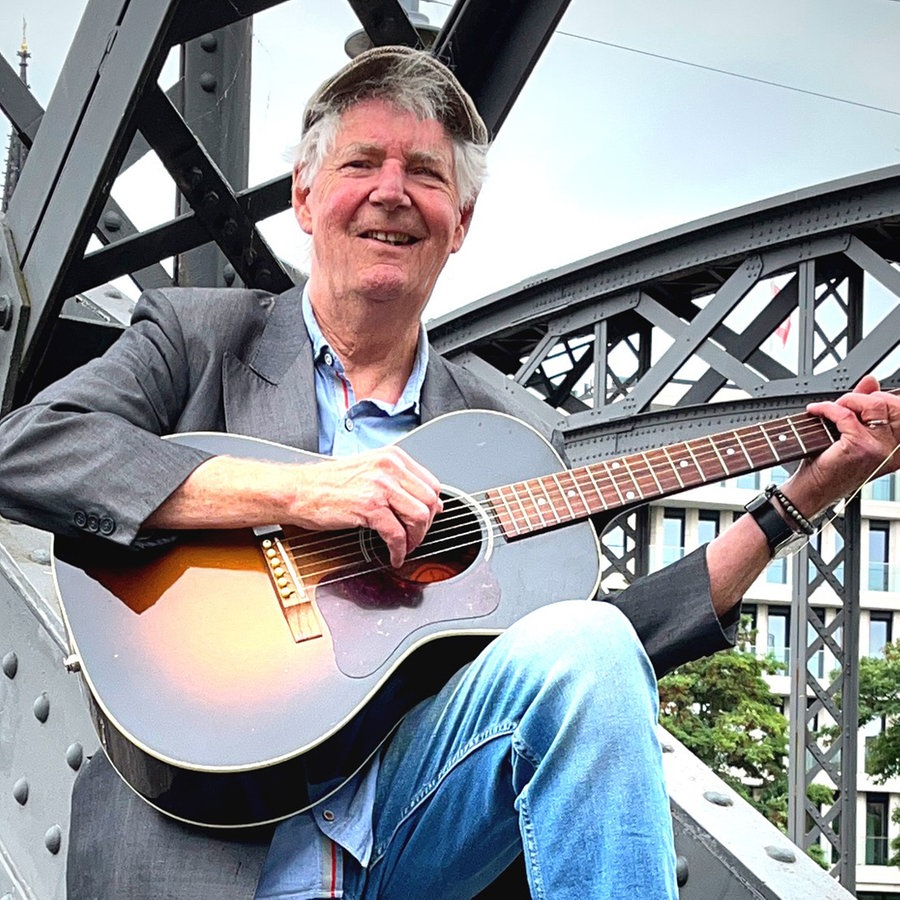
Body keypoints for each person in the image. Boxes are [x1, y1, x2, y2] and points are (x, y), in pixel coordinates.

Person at [0, 45, 898, 900]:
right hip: (199, 850)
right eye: (362, 164)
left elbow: (595, 661)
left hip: (411, 845)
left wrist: (795, 503)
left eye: (426, 175)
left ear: (459, 222)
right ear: (307, 199)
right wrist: (300, 491)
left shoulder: (501, 428)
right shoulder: (197, 336)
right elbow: (27, 449)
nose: (391, 193)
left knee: (589, 653)